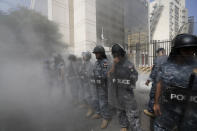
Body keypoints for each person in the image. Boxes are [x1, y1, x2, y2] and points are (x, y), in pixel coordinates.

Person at [153, 34, 197, 131]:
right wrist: (156, 103)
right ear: (177, 50)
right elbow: (159, 84)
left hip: (190, 116)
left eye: (193, 49)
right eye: (186, 50)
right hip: (167, 112)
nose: (190, 52)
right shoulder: (165, 67)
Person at [108, 44, 142, 131]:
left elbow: (135, 76)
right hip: (117, 93)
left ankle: (136, 128)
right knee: (120, 111)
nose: (116, 57)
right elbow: (109, 76)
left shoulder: (128, 64)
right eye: (114, 55)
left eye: (117, 55)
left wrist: (128, 83)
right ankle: (124, 126)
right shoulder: (114, 64)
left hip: (127, 95)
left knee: (132, 114)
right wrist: (113, 66)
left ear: (121, 54)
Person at [91, 45, 112, 129]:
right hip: (96, 85)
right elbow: (93, 72)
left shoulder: (105, 62)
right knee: (96, 99)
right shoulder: (96, 62)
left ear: (101, 53)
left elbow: (106, 74)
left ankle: (106, 118)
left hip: (103, 86)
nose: (95, 55)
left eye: (97, 53)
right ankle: (98, 112)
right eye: (95, 53)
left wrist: (99, 78)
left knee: (103, 102)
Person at [144, 48, 168, 117]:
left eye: (158, 53)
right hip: (167, 81)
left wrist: (148, 80)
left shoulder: (158, 59)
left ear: (162, 52)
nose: (157, 55)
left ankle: (151, 111)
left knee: (153, 95)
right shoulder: (169, 58)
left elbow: (154, 71)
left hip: (158, 81)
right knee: (164, 96)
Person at [79, 51, 94, 117]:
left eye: (84, 56)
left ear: (87, 57)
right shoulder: (84, 63)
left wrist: (83, 73)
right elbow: (80, 71)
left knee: (88, 96)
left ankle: (91, 109)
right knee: (86, 95)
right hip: (85, 82)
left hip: (89, 83)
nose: (83, 57)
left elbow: (88, 74)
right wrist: (82, 73)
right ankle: (88, 107)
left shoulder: (90, 64)